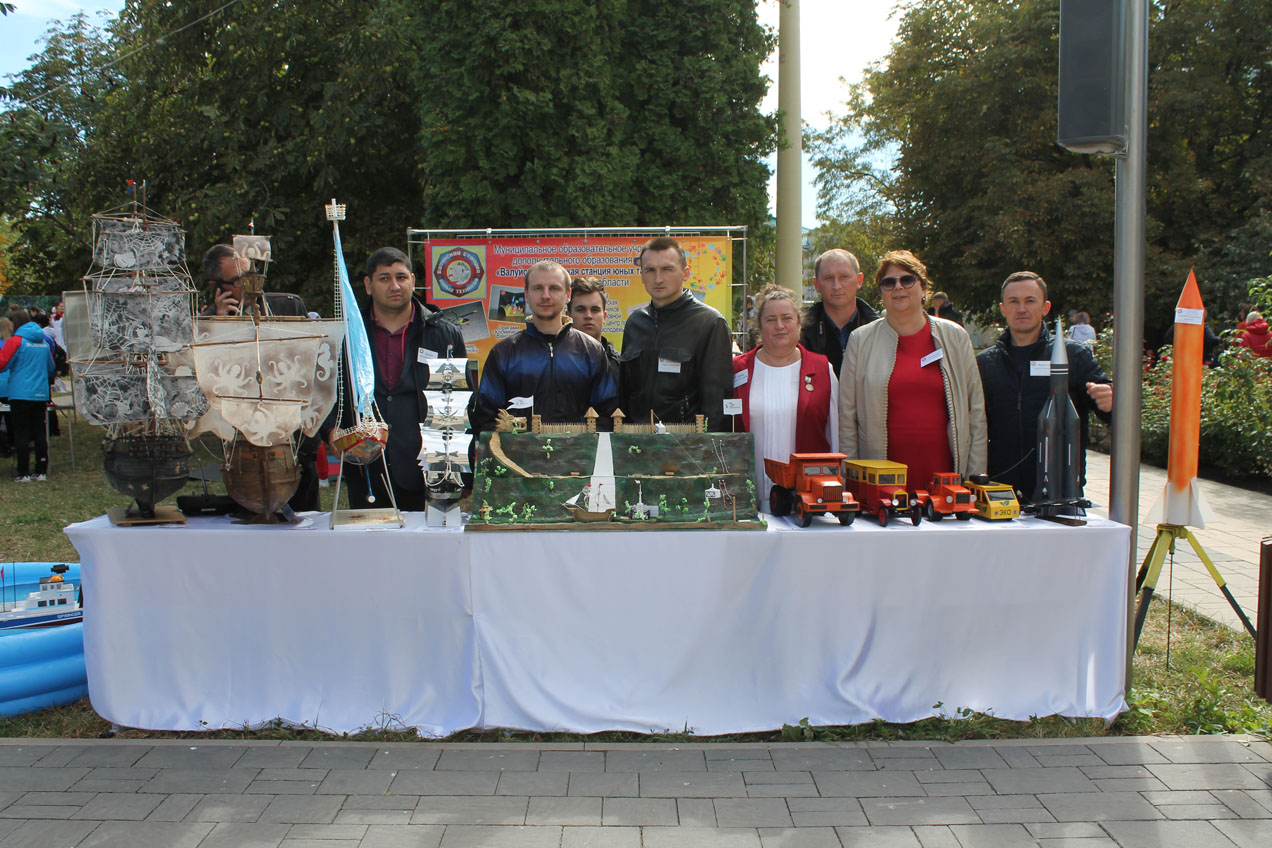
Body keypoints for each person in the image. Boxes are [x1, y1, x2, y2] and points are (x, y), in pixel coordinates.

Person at [326, 247, 466, 511]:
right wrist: (331, 429)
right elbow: (330, 390)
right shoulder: (347, 335)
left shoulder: (444, 335)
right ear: (368, 285)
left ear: (413, 281)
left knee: (426, 551)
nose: (395, 285)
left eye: (401, 277)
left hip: (425, 470)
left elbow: (457, 405)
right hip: (365, 467)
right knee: (369, 550)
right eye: (384, 278)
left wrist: (457, 472)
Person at [839, 250, 986, 485]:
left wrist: (975, 479)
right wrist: (853, 482)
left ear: (924, 288)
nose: (898, 287)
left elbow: (975, 412)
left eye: (907, 280)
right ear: (881, 293)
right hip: (881, 481)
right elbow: (847, 418)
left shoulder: (956, 337)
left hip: (946, 478)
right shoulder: (860, 340)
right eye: (889, 282)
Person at [977, 271, 1113, 500]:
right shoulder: (984, 364)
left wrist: (1110, 402)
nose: (1022, 308)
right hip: (1000, 489)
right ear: (1003, 309)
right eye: (1014, 302)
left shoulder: (1073, 356)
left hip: (1061, 491)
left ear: (1045, 307)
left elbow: (1108, 407)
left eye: (1030, 301)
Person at [472, 261, 618, 434]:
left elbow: (607, 416)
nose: (545, 296)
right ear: (526, 294)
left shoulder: (592, 351)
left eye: (554, 288)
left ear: (567, 294)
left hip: (577, 458)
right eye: (538, 288)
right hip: (518, 459)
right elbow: (486, 419)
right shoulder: (503, 353)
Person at [733, 285, 838, 505]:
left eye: (787, 318)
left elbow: (835, 433)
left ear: (799, 323)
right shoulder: (736, 370)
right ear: (759, 326)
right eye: (771, 319)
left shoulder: (822, 369)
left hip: (807, 494)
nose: (779, 326)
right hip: (745, 494)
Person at [619, 236, 733, 430]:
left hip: (685, 446)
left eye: (667, 269)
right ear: (642, 275)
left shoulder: (709, 323)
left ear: (685, 273)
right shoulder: (635, 323)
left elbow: (717, 405)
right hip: (637, 442)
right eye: (650, 270)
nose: (658, 279)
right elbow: (625, 393)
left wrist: (708, 453)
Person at [800, 248, 878, 377]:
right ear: (817, 284)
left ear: (859, 280)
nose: (837, 286)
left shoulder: (880, 329)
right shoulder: (800, 332)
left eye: (844, 277)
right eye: (828, 278)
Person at [0, 309, 57, 482]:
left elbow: (2, 363)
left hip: (20, 392)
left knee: (21, 432)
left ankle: (23, 472)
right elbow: (51, 368)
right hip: (39, 393)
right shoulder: (44, 342)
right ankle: (41, 470)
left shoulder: (16, 341)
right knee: (39, 431)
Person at [200, 244, 306, 317]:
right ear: (216, 286)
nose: (249, 284)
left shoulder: (290, 306)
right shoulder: (203, 324)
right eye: (238, 280)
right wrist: (220, 324)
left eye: (250, 275)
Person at [567, 275, 619, 374]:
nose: (588, 316)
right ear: (568, 316)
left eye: (595, 310)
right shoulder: (555, 362)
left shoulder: (621, 366)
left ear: (604, 316)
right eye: (581, 310)